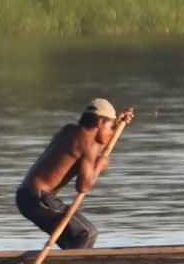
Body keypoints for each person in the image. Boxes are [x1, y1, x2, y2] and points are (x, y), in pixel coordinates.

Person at [16, 98, 135, 249]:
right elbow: (83, 186)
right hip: (38, 198)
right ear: (100, 123)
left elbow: (99, 140)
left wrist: (117, 123)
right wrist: (99, 165)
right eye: (110, 126)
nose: (112, 130)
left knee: (73, 239)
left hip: (26, 197)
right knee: (86, 233)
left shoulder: (69, 131)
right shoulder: (87, 143)